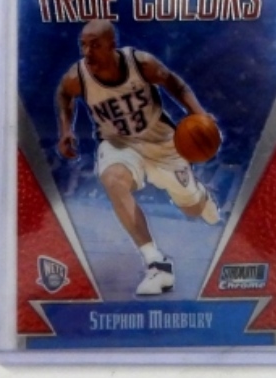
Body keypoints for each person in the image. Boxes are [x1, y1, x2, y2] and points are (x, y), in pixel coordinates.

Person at [55, 19, 220, 296]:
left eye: (95, 45)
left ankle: (200, 195)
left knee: (192, 210)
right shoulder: (78, 76)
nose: (87, 52)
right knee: (113, 180)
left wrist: (199, 114)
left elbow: (175, 83)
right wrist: (65, 130)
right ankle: (156, 263)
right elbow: (63, 94)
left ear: (112, 45)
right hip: (118, 143)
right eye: (83, 45)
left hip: (161, 143)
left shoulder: (140, 63)